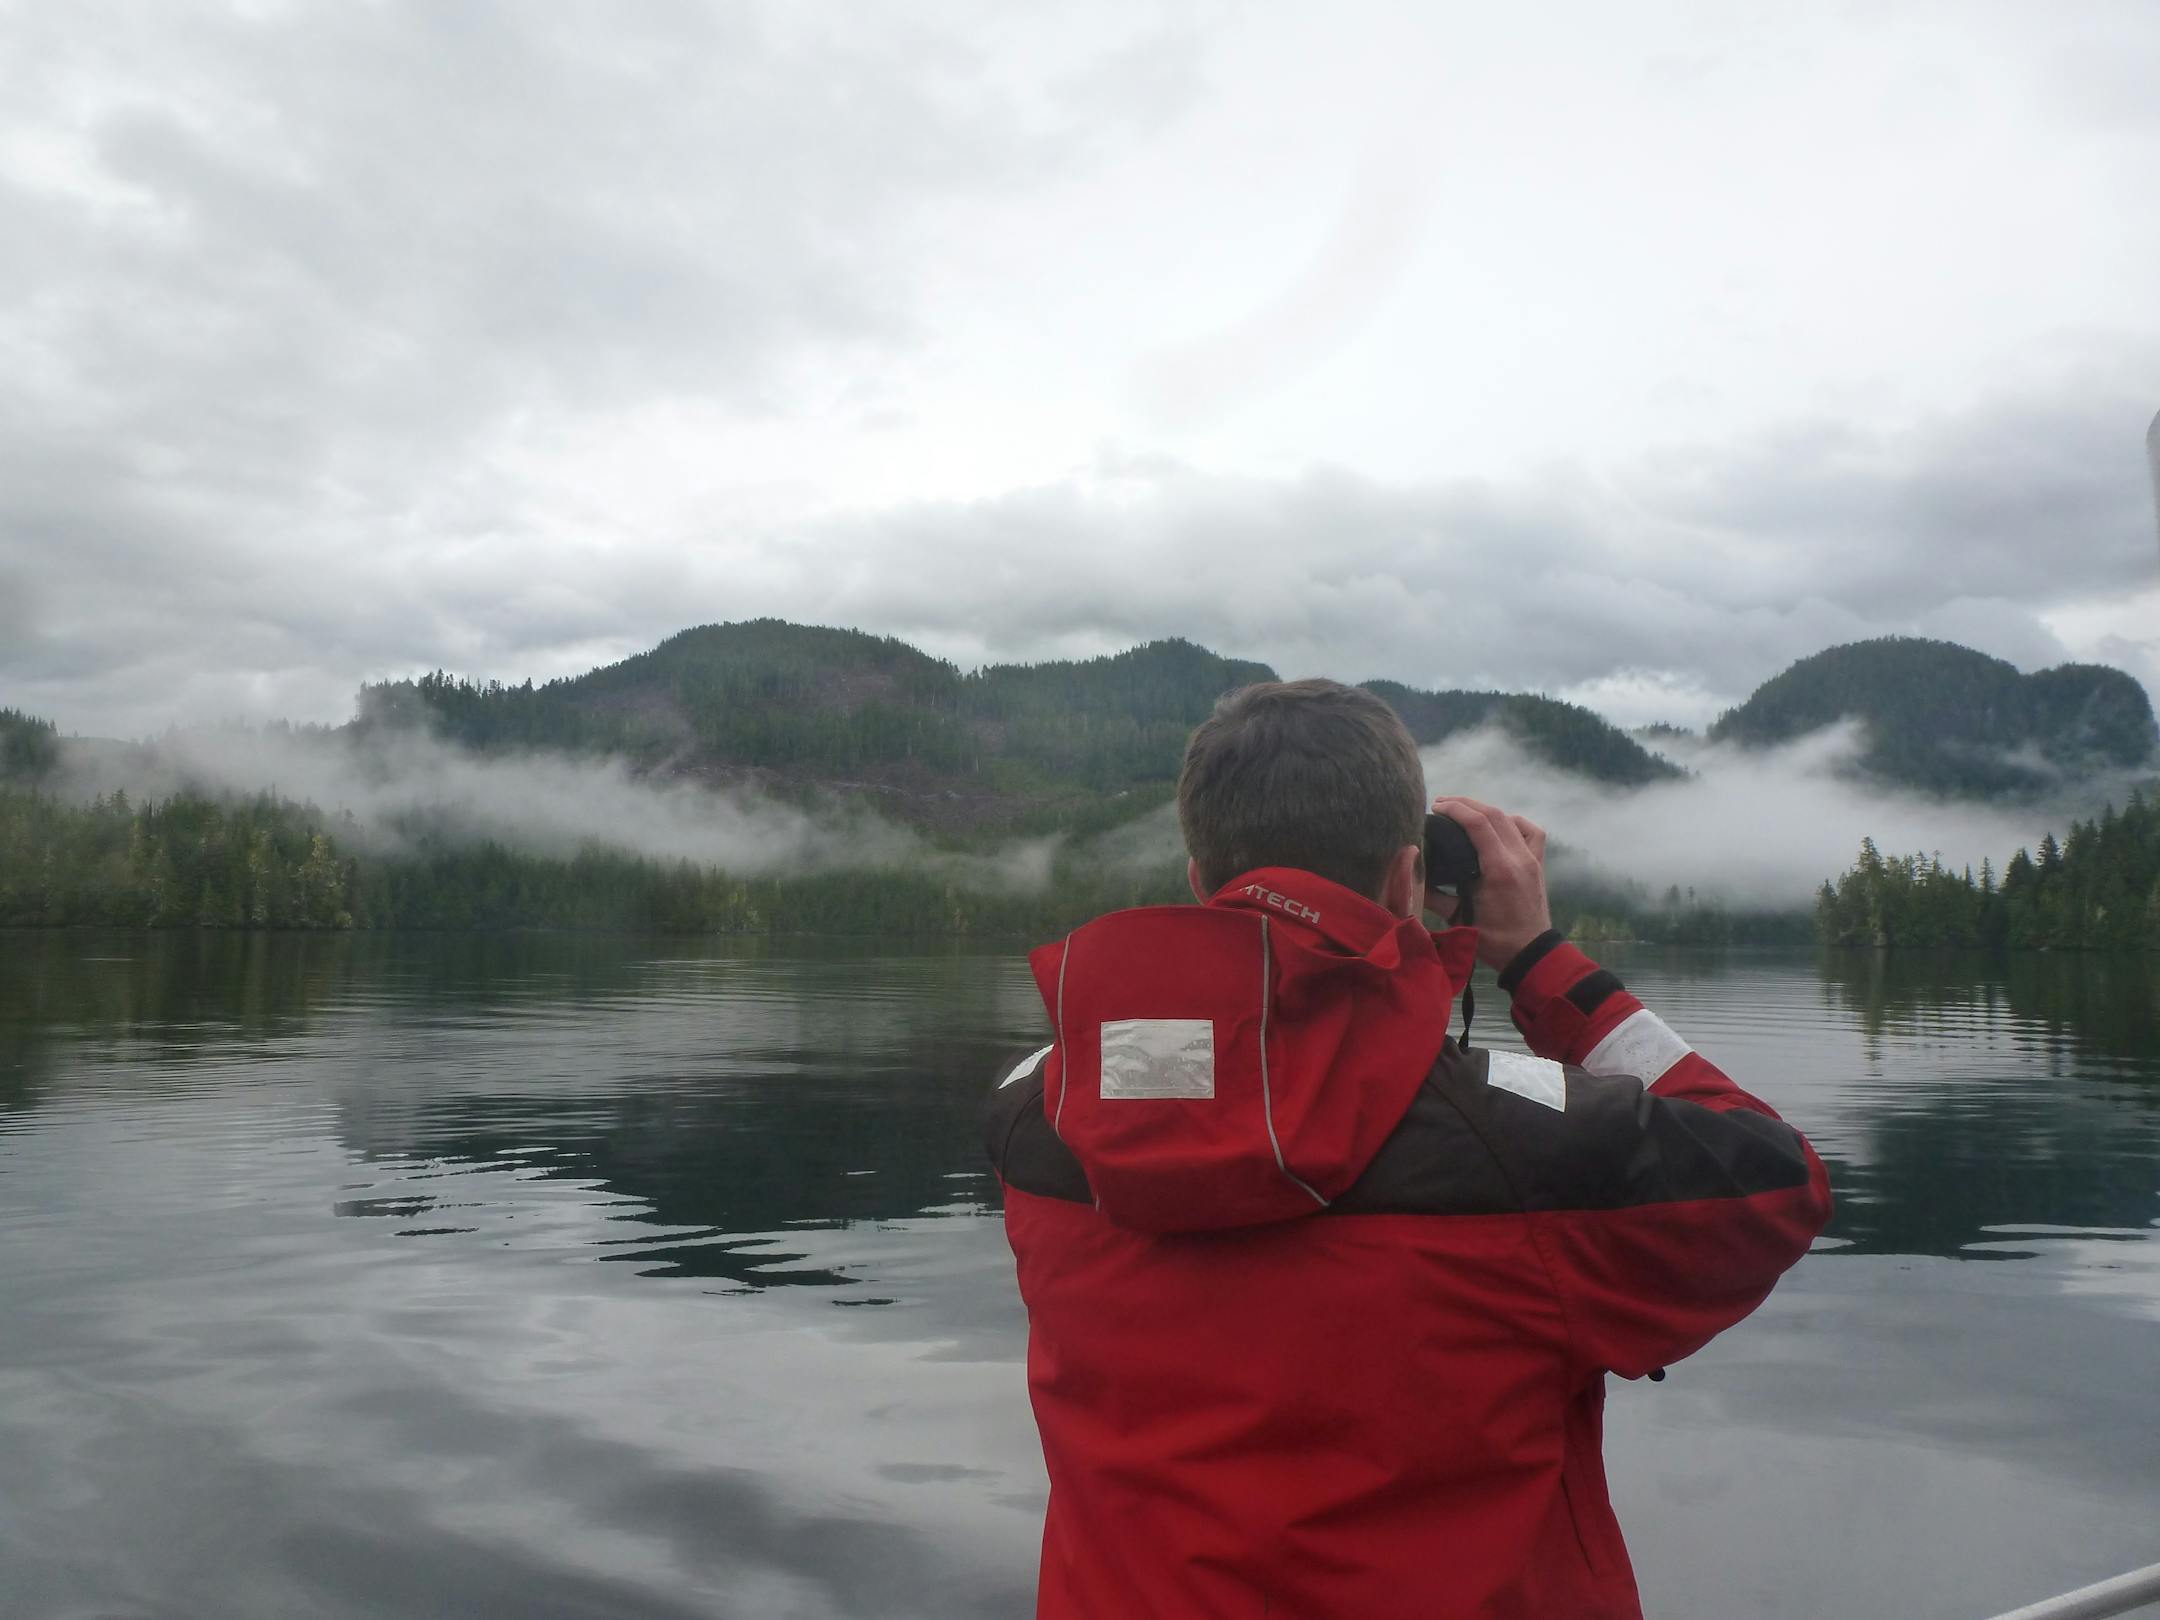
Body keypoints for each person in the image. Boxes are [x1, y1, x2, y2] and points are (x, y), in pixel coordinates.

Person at [983, 677, 1832, 1620]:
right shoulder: (1526, 1154)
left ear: (1199, 882)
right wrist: (1541, 959)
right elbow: (1778, 1178)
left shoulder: (1039, 1116)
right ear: (1405, 883)